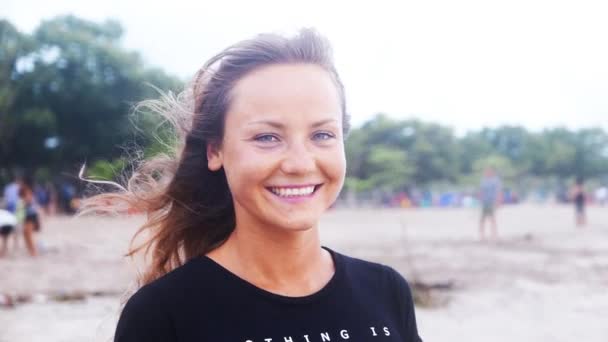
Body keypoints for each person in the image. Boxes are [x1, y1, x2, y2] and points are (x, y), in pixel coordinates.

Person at [82, 29, 422, 342]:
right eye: (267, 137)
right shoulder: (164, 315)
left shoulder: (386, 291)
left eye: (322, 135)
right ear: (216, 150)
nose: (300, 163)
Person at [17, 176, 40, 256]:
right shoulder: (24, 191)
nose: (19, 184)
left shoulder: (27, 190)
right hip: (28, 214)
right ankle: (31, 251)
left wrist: (22, 203)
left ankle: (33, 252)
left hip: (31, 214)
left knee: (28, 233)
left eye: (20, 182)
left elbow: (29, 201)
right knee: (25, 233)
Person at [479, 167, 502, 240]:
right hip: (485, 202)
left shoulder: (495, 180)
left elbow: (499, 191)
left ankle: (494, 235)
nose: (486, 173)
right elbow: (481, 191)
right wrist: (481, 199)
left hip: (492, 202)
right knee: (482, 219)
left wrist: (498, 201)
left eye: (488, 171)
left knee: (492, 219)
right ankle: (482, 235)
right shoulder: (483, 180)